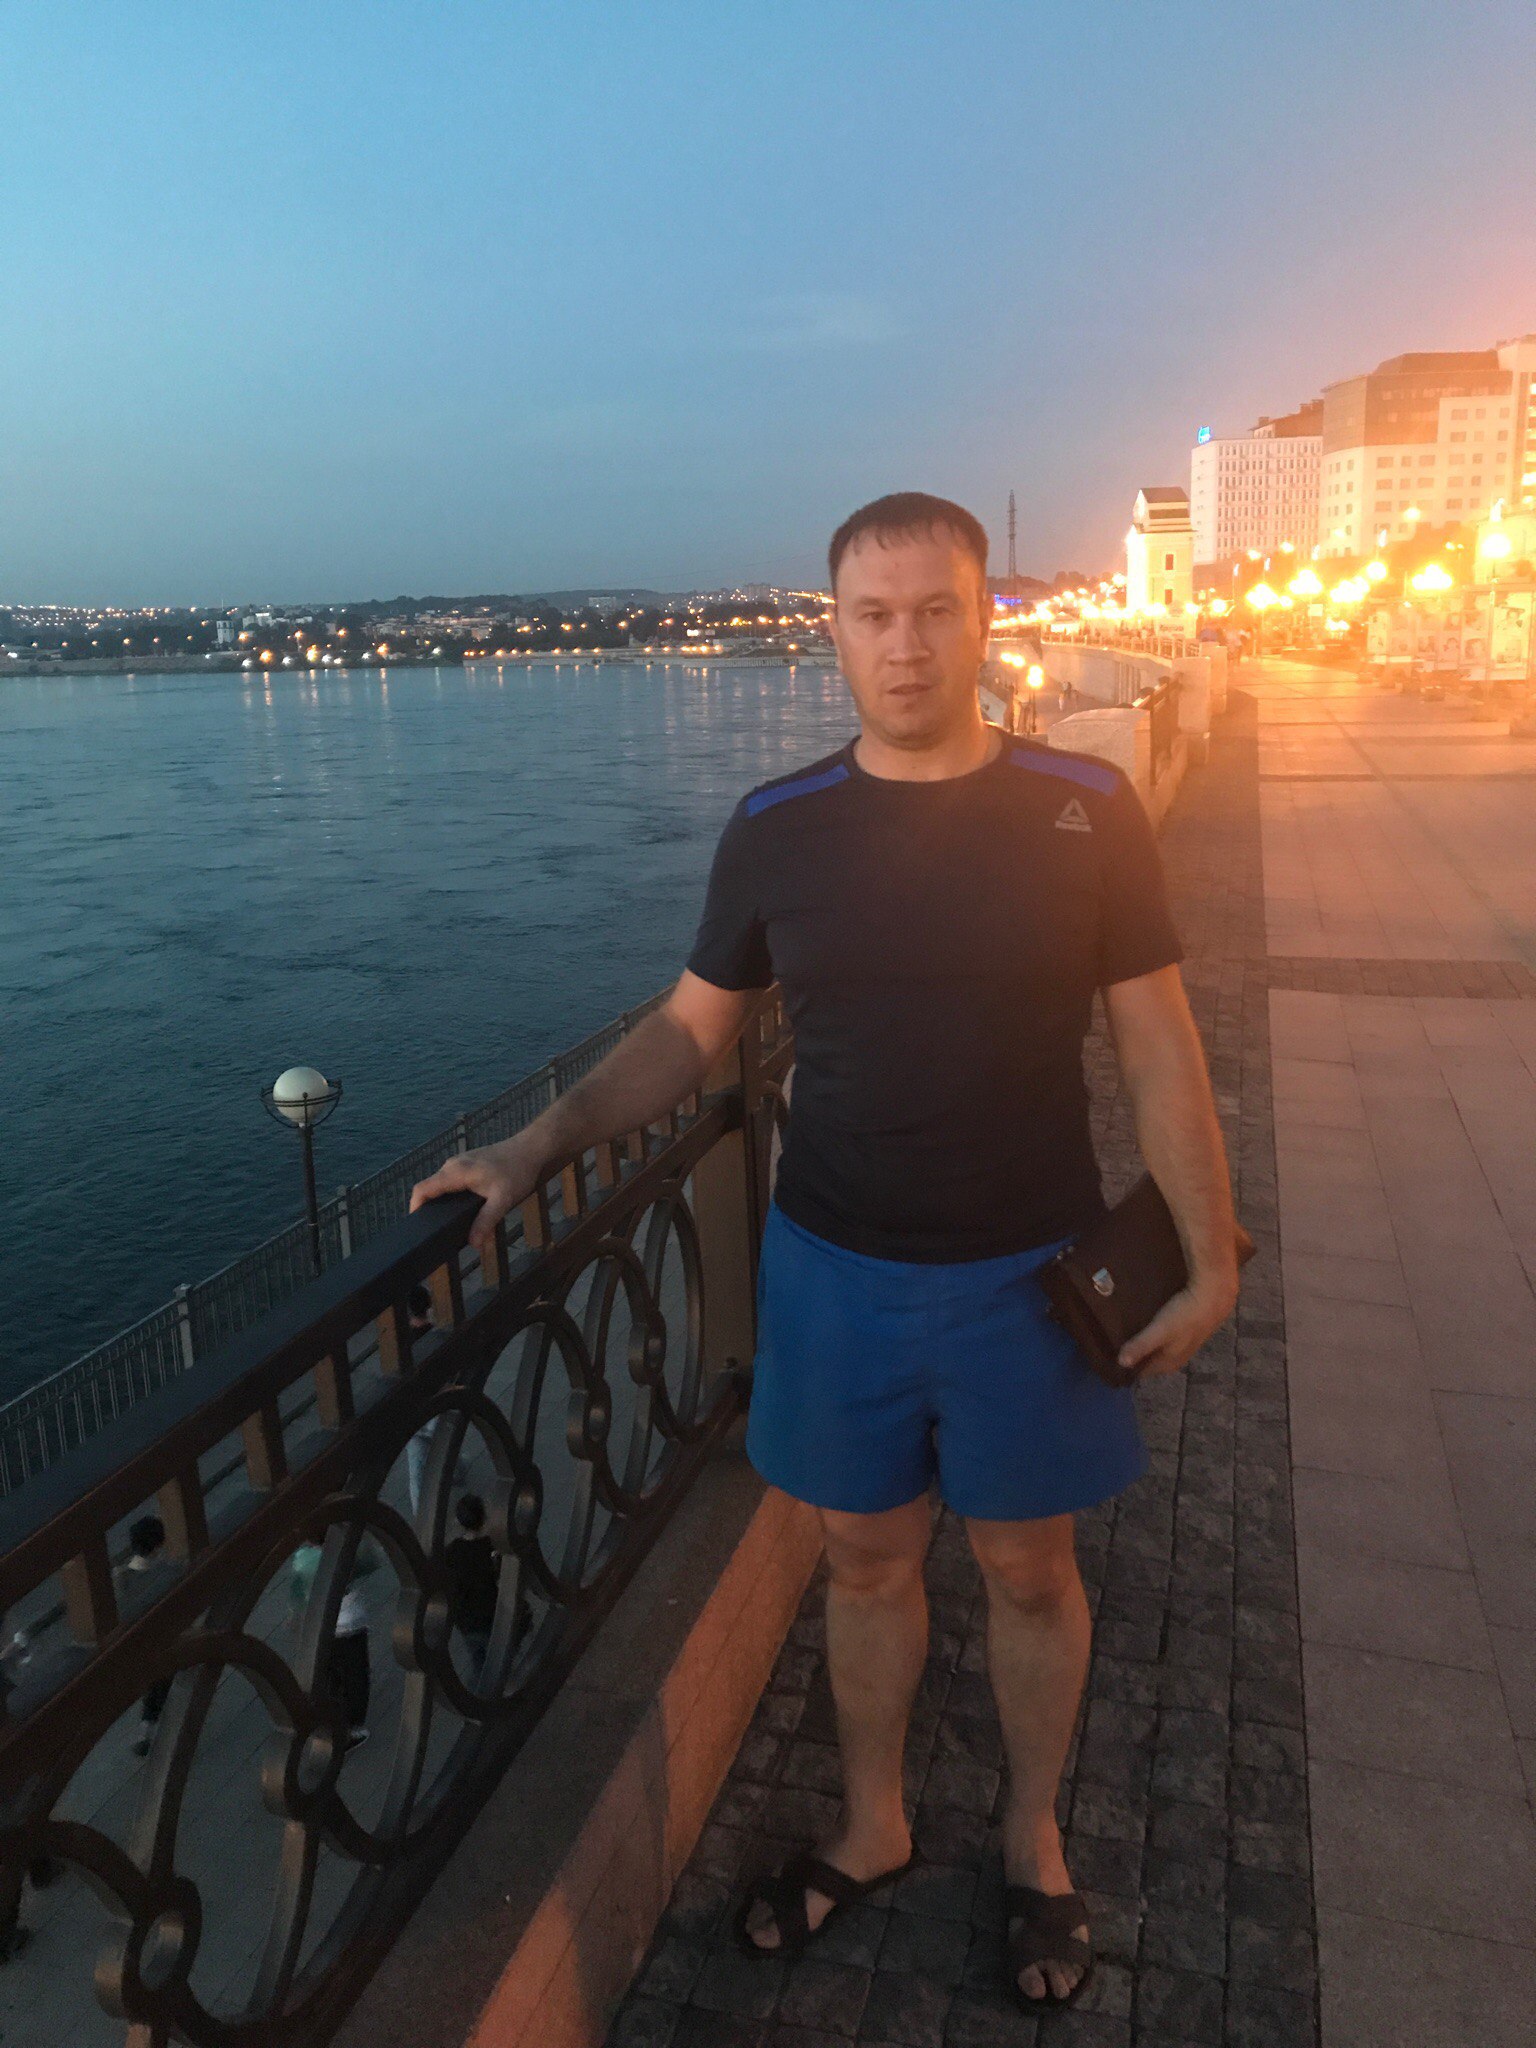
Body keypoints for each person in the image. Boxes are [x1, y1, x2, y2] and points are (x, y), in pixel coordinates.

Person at [410, 492, 1239, 2013]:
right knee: (864, 1561)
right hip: (837, 1271)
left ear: (984, 621)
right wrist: (537, 1144)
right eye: (873, 615)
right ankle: (873, 1823)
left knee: (1030, 1571)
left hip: (1031, 1272)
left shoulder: (1083, 805)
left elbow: (1158, 1040)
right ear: (836, 633)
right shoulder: (778, 827)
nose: (905, 644)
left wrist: (1212, 1250)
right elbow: (689, 1032)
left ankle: (1035, 1837)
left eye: (935, 611)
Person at [117, 1514, 171, 1757]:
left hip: (134, 1646)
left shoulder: (121, 1577)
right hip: (164, 1640)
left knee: (155, 1684)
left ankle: (146, 1730)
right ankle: (151, 1728)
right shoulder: (165, 1572)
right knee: (163, 1681)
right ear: (159, 1544)